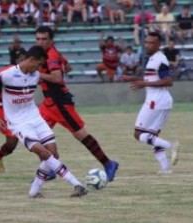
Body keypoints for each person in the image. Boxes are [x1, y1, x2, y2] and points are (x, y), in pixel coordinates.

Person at [0, 45, 88, 198]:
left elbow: (57, 77)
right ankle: (76, 184)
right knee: (42, 152)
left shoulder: (35, 75)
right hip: (18, 123)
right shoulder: (7, 75)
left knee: (53, 154)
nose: (40, 68)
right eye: (39, 64)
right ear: (31, 60)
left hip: (35, 118)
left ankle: (34, 192)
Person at [35, 26, 119, 182]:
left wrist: (38, 74)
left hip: (60, 104)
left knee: (81, 136)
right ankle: (51, 168)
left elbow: (58, 78)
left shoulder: (51, 55)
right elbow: (68, 67)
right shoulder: (51, 54)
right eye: (38, 39)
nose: (40, 42)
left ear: (51, 40)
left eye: (44, 39)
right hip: (48, 104)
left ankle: (108, 164)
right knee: (35, 135)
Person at [120, 32, 179, 174]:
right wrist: (132, 78)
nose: (147, 45)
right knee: (152, 138)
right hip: (161, 101)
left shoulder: (160, 59)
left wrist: (144, 83)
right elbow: (151, 78)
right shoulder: (152, 59)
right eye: (146, 42)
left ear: (158, 44)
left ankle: (171, 145)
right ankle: (165, 169)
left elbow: (168, 81)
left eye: (151, 42)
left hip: (155, 101)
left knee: (138, 134)